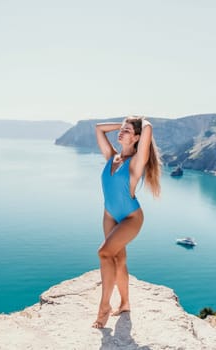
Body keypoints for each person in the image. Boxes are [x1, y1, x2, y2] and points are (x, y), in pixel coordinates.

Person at [92, 116, 161, 329]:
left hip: (130, 217)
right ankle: (125, 303)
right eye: (121, 130)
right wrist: (124, 124)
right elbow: (98, 129)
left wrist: (141, 120)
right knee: (118, 260)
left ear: (137, 137)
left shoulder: (136, 162)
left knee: (104, 253)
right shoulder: (111, 157)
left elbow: (148, 129)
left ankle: (104, 308)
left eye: (127, 131)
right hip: (109, 215)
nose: (121, 133)